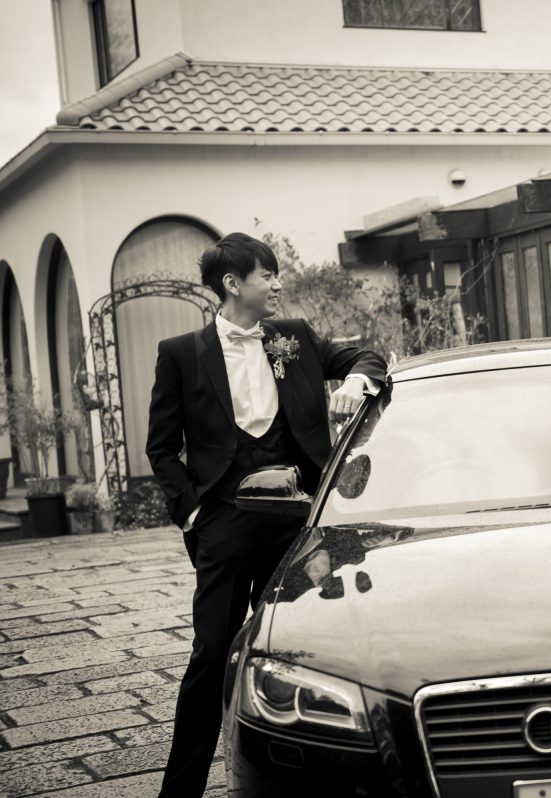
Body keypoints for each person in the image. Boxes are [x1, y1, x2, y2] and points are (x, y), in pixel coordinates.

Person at [146, 232, 387, 797]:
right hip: (224, 524)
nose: (278, 284)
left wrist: (356, 379)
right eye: (267, 275)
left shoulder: (293, 337)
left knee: (305, 655)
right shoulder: (180, 353)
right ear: (233, 284)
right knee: (211, 655)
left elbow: (368, 359)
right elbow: (161, 447)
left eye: (277, 274)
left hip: (296, 527)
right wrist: (194, 514)